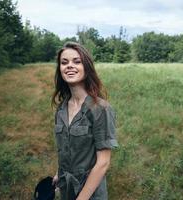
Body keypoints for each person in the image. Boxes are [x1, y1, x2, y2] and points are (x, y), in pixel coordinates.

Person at [51, 41, 118, 200]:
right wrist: (58, 174)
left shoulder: (100, 109)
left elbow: (103, 163)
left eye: (77, 61)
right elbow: (66, 149)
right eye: (64, 62)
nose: (69, 66)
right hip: (66, 188)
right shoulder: (61, 109)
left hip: (90, 193)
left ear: (86, 67)